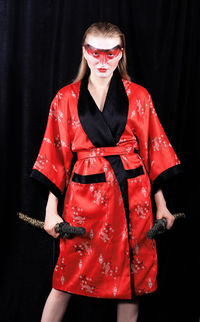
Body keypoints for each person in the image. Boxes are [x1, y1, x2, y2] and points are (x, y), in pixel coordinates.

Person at [30, 21, 182, 322]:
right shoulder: (65, 98)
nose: (102, 61)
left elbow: (152, 152)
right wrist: (51, 212)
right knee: (65, 278)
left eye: (111, 53)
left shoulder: (139, 96)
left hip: (134, 197)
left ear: (120, 54)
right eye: (95, 52)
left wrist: (162, 206)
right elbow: (55, 156)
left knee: (133, 282)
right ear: (85, 53)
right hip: (84, 200)